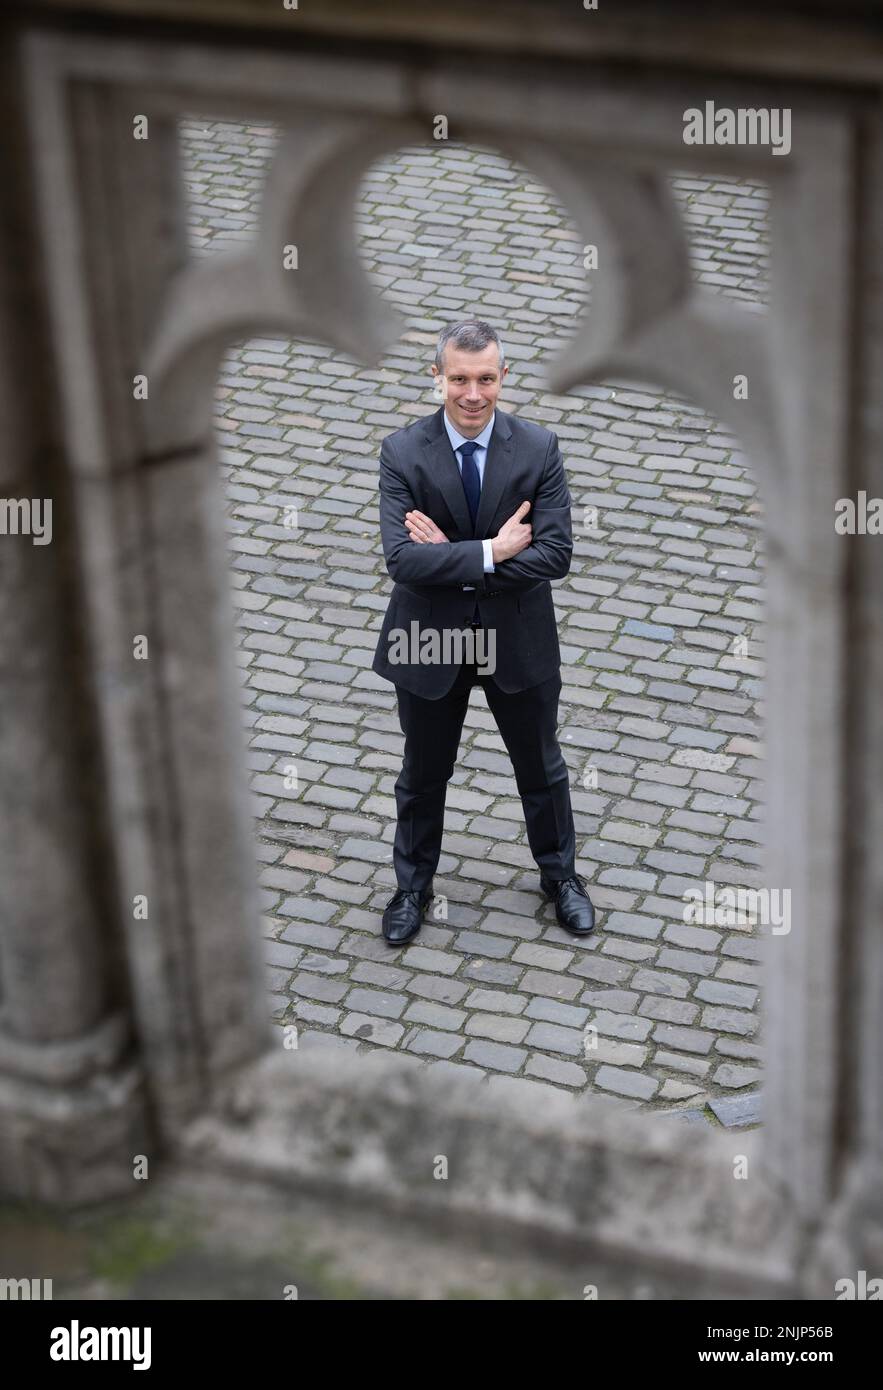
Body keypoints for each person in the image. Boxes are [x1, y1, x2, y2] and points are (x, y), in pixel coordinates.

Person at [372, 319, 595, 945]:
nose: (474, 394)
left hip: (516, 638)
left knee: (541, 767)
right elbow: (402, 560)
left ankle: (561, 877)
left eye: (487, 379)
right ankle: (412, 886)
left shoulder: (538, 449)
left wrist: (458, 556)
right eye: (461, 379)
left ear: (503, 378)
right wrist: (492, 552)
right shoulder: (401, 452)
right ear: (437, 377)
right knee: (422, 771)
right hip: (430, 640)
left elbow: (555, 556)